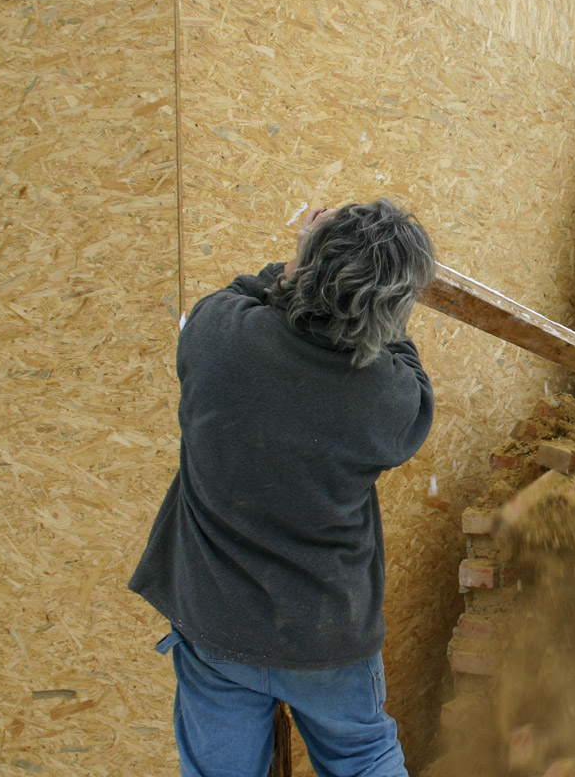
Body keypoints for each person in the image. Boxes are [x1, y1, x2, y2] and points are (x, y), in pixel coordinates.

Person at [129, 199, 436, 777]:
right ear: (393, 307)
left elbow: (247, 290)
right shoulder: (388, 400)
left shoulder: (216, 337)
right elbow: (409, 373)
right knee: (364, 758)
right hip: (326, 637)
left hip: (218, 625)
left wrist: (298, 260)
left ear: (308, 267)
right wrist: (384, 321)